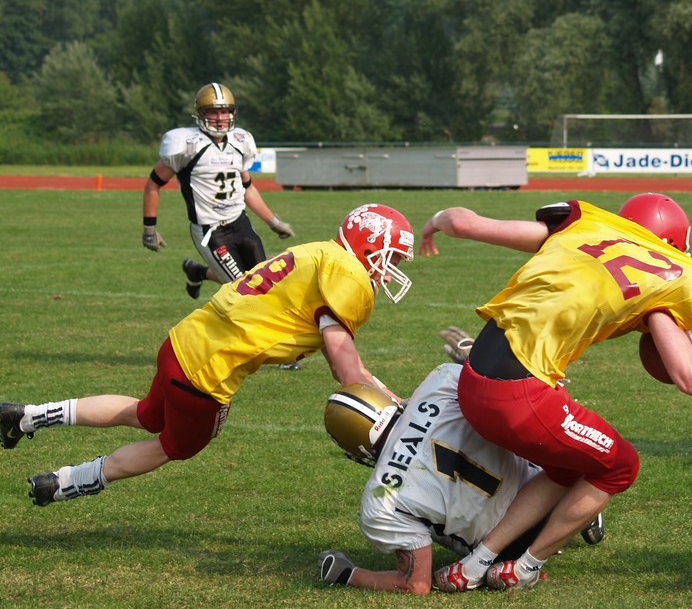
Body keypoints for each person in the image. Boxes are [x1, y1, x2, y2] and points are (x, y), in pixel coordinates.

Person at [418, 193, 692, 591]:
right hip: (517, 399)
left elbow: (463, 223)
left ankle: (476, 563)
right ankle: (525, 566)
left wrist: (435, 222)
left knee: (567, 466)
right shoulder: (659, 280)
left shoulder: (579, 234)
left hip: (473, 384)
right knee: (620, 465)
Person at [0, 203, 414, 507]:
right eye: (392, 256)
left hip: (183, 340)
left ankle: (30, 414)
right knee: (171, 446)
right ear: (371, 244)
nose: (391, 267)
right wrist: (398, 412)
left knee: (145, 413)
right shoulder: (349, 274)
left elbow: (342, 361)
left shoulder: (320, 252)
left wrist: (390, 398)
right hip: (208, 375)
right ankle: (63, 483)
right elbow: (347, 370)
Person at [317, 327, 603, 595]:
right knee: (505, 416)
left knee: (415, 508)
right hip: (549, 480)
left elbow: (416, 585)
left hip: (513, 547)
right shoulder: (439, 383)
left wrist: (348, 574)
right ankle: (581, 505)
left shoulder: (379, 500)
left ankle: (516, 547)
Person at [141, 82, 296, 300]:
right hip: (211, 231)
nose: (220, 117)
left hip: (240, 223)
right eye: (213, 111)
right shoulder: (188, 145)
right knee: (245, 291)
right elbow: (153, 184)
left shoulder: (240, 142)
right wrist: (150, 229)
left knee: (263, 281)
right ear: (201, 114)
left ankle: (197, 271)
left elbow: (248, 189)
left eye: (225, 111)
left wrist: (274, 222)